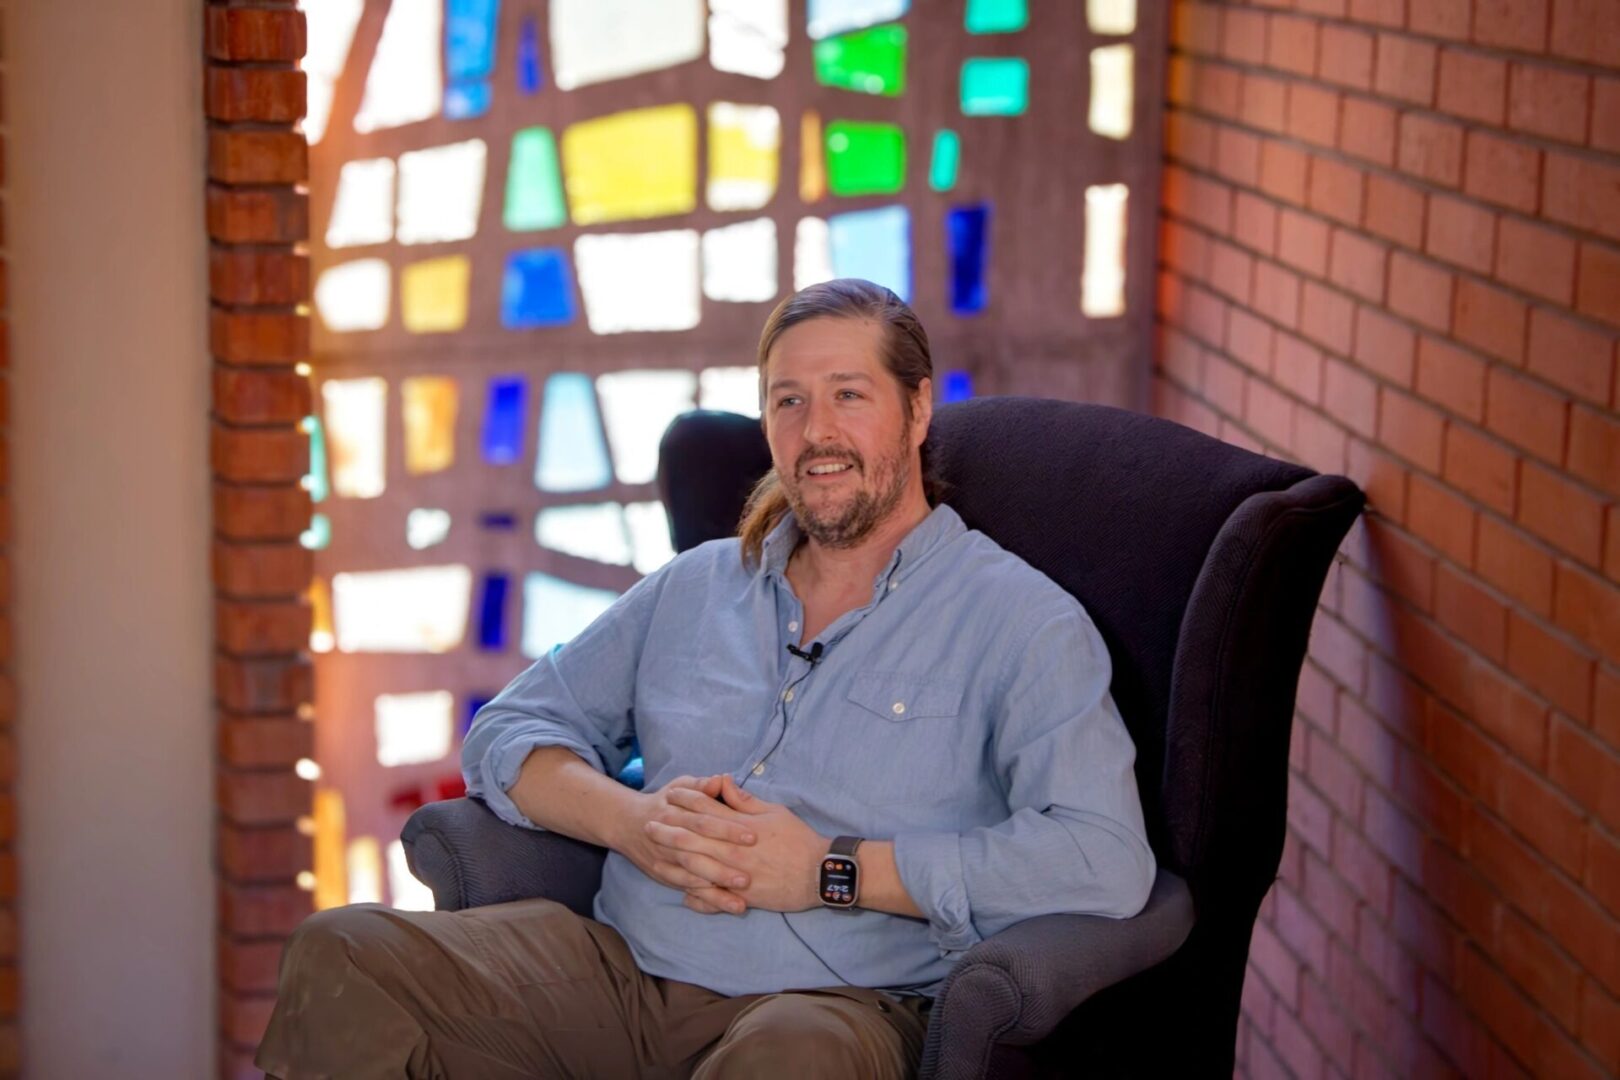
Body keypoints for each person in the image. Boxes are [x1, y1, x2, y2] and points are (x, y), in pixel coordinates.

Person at [256, 278, 1155, 1079]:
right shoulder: (698, 583)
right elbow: (509, 730)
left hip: (833, 1004)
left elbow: (1104, 860)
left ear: (918, 411)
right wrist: (635, 824)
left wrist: (829, 871)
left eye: (850, 395)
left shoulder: (1021, 623)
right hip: (620, 973)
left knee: (790, 1061)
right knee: (346, 952)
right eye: (789, 401)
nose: (817, 432)